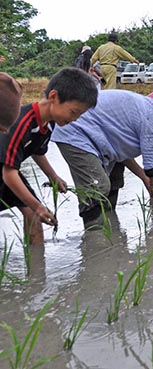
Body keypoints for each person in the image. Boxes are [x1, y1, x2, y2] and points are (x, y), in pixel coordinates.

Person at [52, 89, 153, 227]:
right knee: (98, 187)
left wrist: (147, 175)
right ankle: (94, 237)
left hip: (86, 134)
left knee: (104, 185)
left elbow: (123, 154)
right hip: (76, 133)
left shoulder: (147, 107)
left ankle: (108, 229)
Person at [1, 68, 98, 243]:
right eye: (73, 112)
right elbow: (9, 173)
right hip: (5, 171)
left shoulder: (49, 124)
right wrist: (38, 206)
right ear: (54, 97)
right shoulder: (21, 123)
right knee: (34, 210)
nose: (75, 119)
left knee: (32, 214)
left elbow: (37, 151)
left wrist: (53, 176)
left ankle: (37, 268)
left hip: (6, 169)